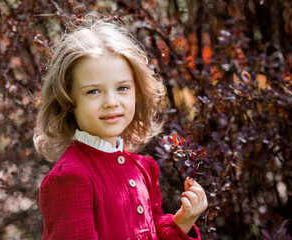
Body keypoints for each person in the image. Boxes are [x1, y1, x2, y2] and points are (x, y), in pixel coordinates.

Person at [33, 17, 208, 240]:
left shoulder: (143, 169)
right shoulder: (70, 177)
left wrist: (183, 221)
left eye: (123, 87)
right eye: (93, 91)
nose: (111, 102)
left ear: (138, 91)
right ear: (68, 100)